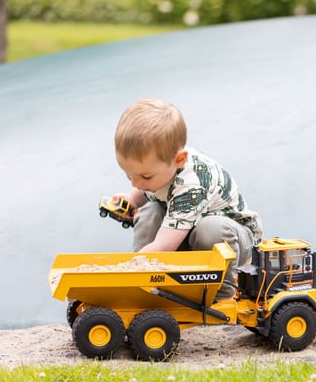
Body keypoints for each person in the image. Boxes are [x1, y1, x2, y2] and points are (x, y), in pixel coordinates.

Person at [110, 98, 262, 300]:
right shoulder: (161, 167)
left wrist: (126, 269)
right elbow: (150, 191)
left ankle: (221, 293)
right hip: (188, 235)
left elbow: (164, 245)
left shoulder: (191, 185)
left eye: (145, 176)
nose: (135, 183)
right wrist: (132, 199)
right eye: (129, 174)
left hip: (233, 245)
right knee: (149, 212)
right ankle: (146, 283)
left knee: (210, 228)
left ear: (179, 160)